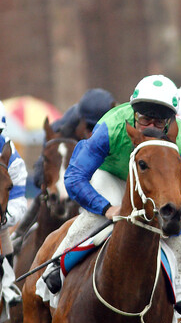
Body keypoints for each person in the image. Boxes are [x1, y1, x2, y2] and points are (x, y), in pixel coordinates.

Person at [40, 75, 181, 314]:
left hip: (153, 188)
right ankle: (56, 266)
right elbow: (75, 177)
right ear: (133, 113)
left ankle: (178, 286)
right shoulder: (112, 125)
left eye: (159, 123)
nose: (150, 128)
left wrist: (175, 222)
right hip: (112, 179)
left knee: (174, 229)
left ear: (171, 121)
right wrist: (106, 208)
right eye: (144, 119)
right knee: (95, 218)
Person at [12, 88, 116, 251]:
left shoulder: (115, 128)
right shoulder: (62, 129)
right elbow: (43, 169)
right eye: (89, 127)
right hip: (67, 181)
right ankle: (18, 236)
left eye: (99, 127)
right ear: (80, 121)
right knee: (44, 193)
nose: (93, 133)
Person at [0, 100, 28, 310]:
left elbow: (19, 199)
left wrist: (6, 217)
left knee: (2, 230)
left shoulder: (12, 157)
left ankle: (8, 284)